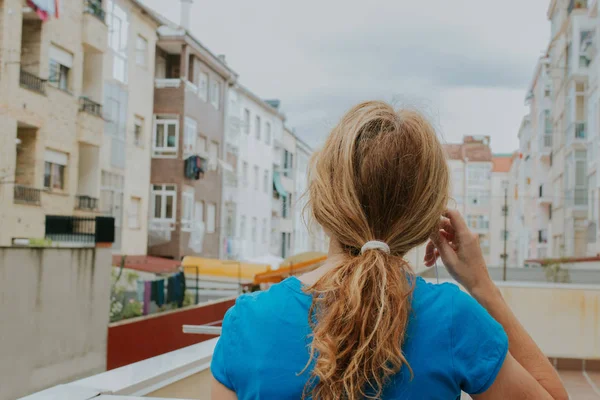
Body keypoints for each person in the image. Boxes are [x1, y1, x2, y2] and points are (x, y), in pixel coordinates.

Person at [211, 101, 568, 399]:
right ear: (427, 217)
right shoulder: (453, 319)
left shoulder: (248, 321)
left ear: (322, 203)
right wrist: (482, 287)